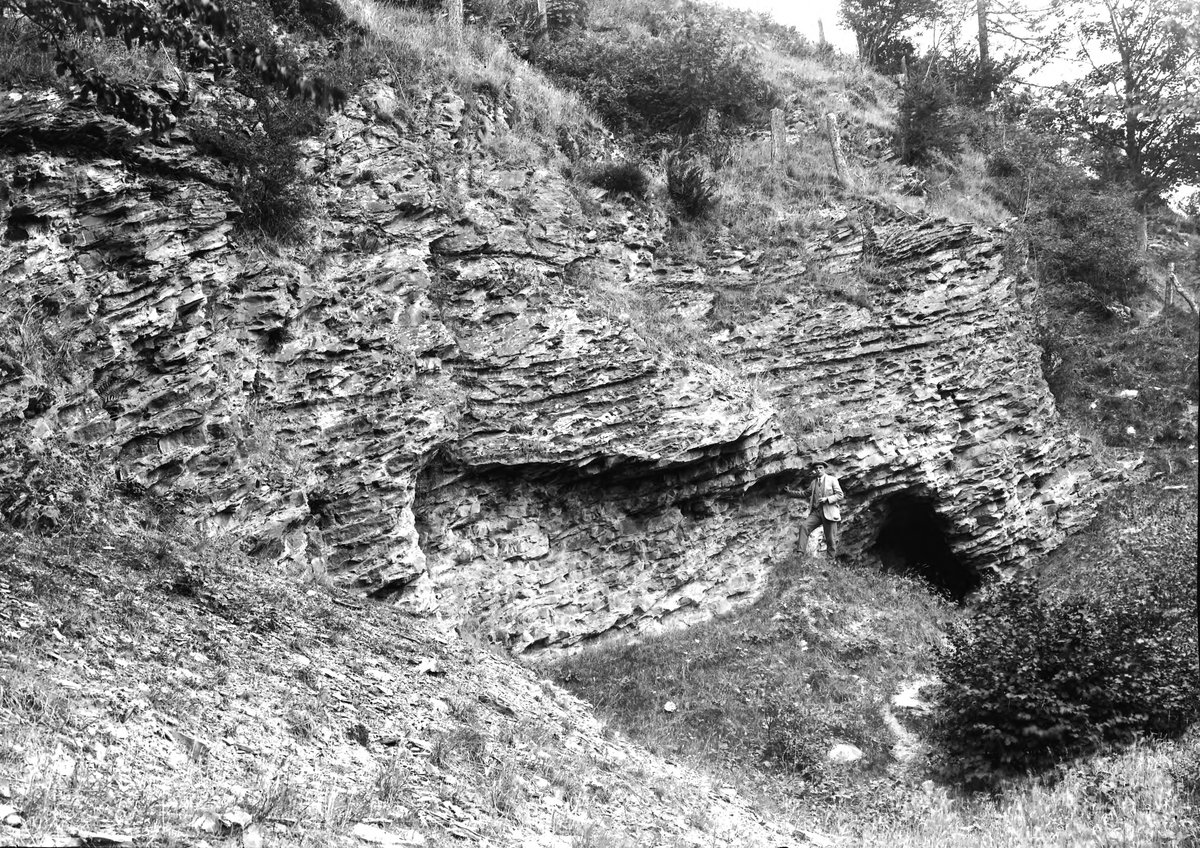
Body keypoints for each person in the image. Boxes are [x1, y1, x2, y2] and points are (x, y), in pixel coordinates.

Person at [786, 459, 844, 560]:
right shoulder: (814, 482)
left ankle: (830, 560)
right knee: (804, 526)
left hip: (829, 512)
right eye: (816, 468)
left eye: (820, 468)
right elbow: (804, 493)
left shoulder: (832, 479)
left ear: (824, 469)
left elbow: (840, 495)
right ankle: (800, 553)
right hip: (816, 512)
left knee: (830, 539)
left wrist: (827, 499)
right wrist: (790, 492)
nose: (818, 470)